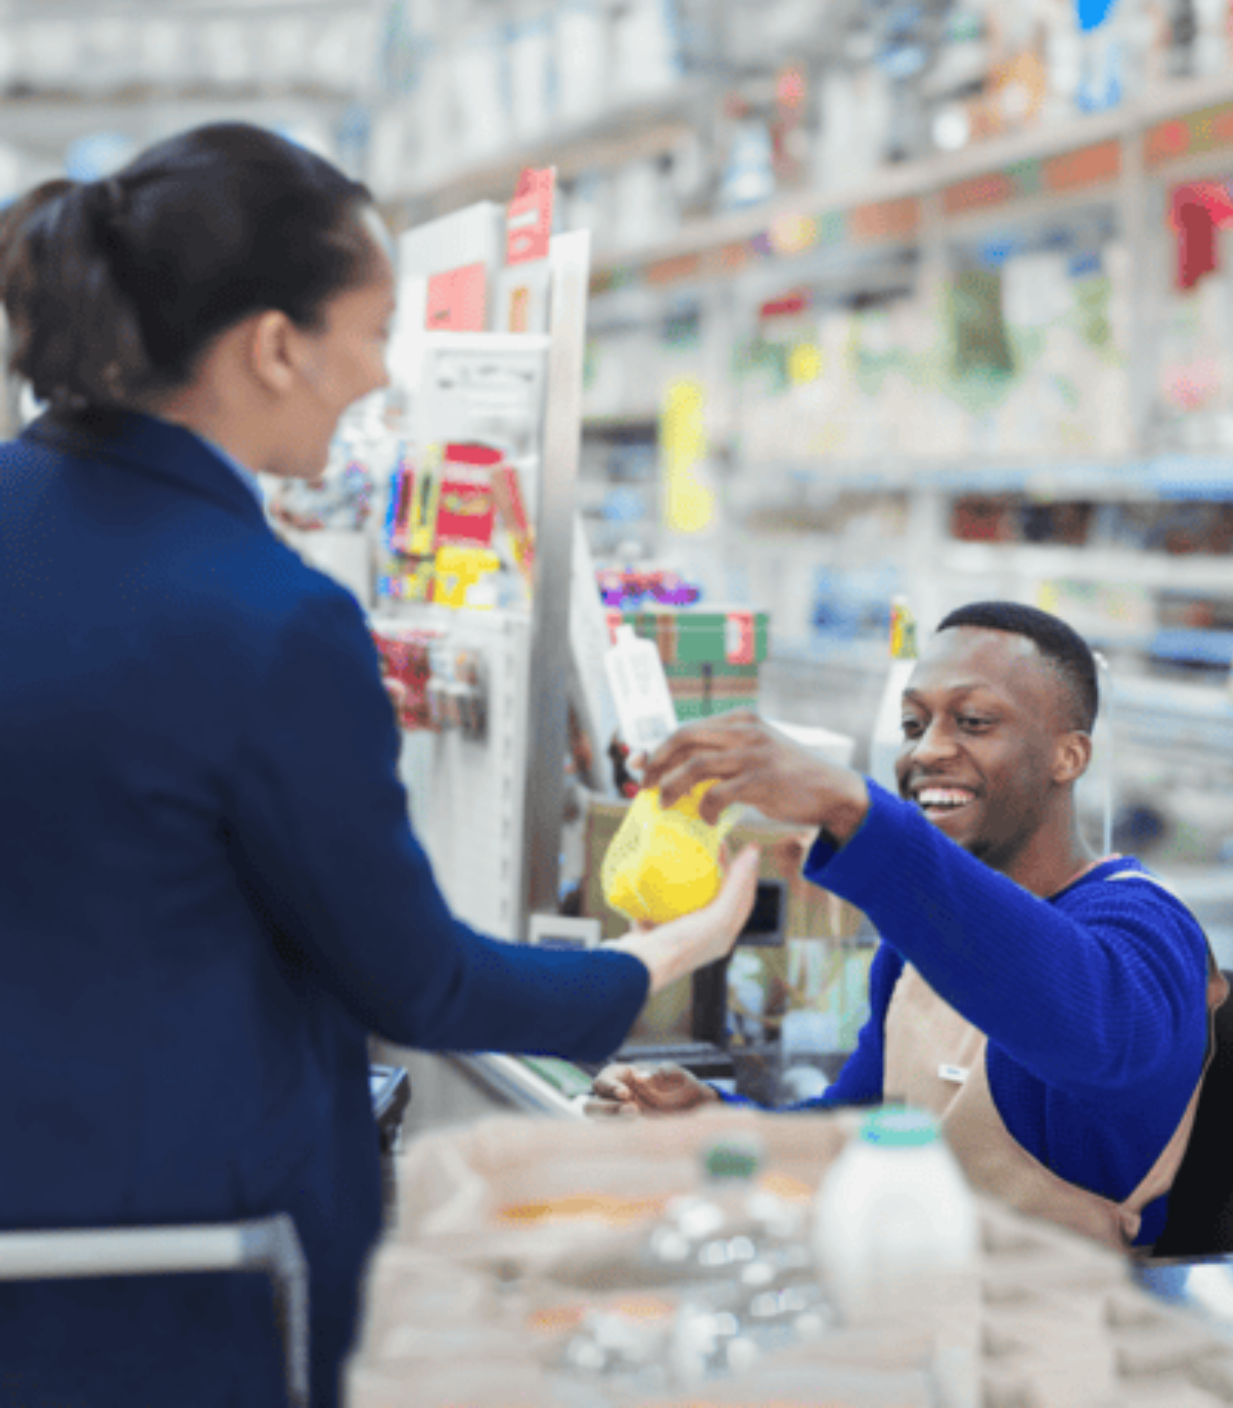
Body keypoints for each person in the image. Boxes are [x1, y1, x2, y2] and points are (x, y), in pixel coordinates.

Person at [0, 122, 760, 1408]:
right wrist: (666, 954)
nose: (380, 373)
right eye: (372, 329)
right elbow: (408, 975)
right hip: (185, 1276)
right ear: (276, 343)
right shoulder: (266, 618)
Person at [588, 602, 1227, 1255]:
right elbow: (861, 1131)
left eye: (974, 721)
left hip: (1068, 1329)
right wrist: (715, 1122)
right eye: (913, 724)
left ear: (1069, 755)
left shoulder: (1147, 927)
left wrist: (852, 807)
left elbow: (1090, 1026)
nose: (928, 751)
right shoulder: (919, 939)